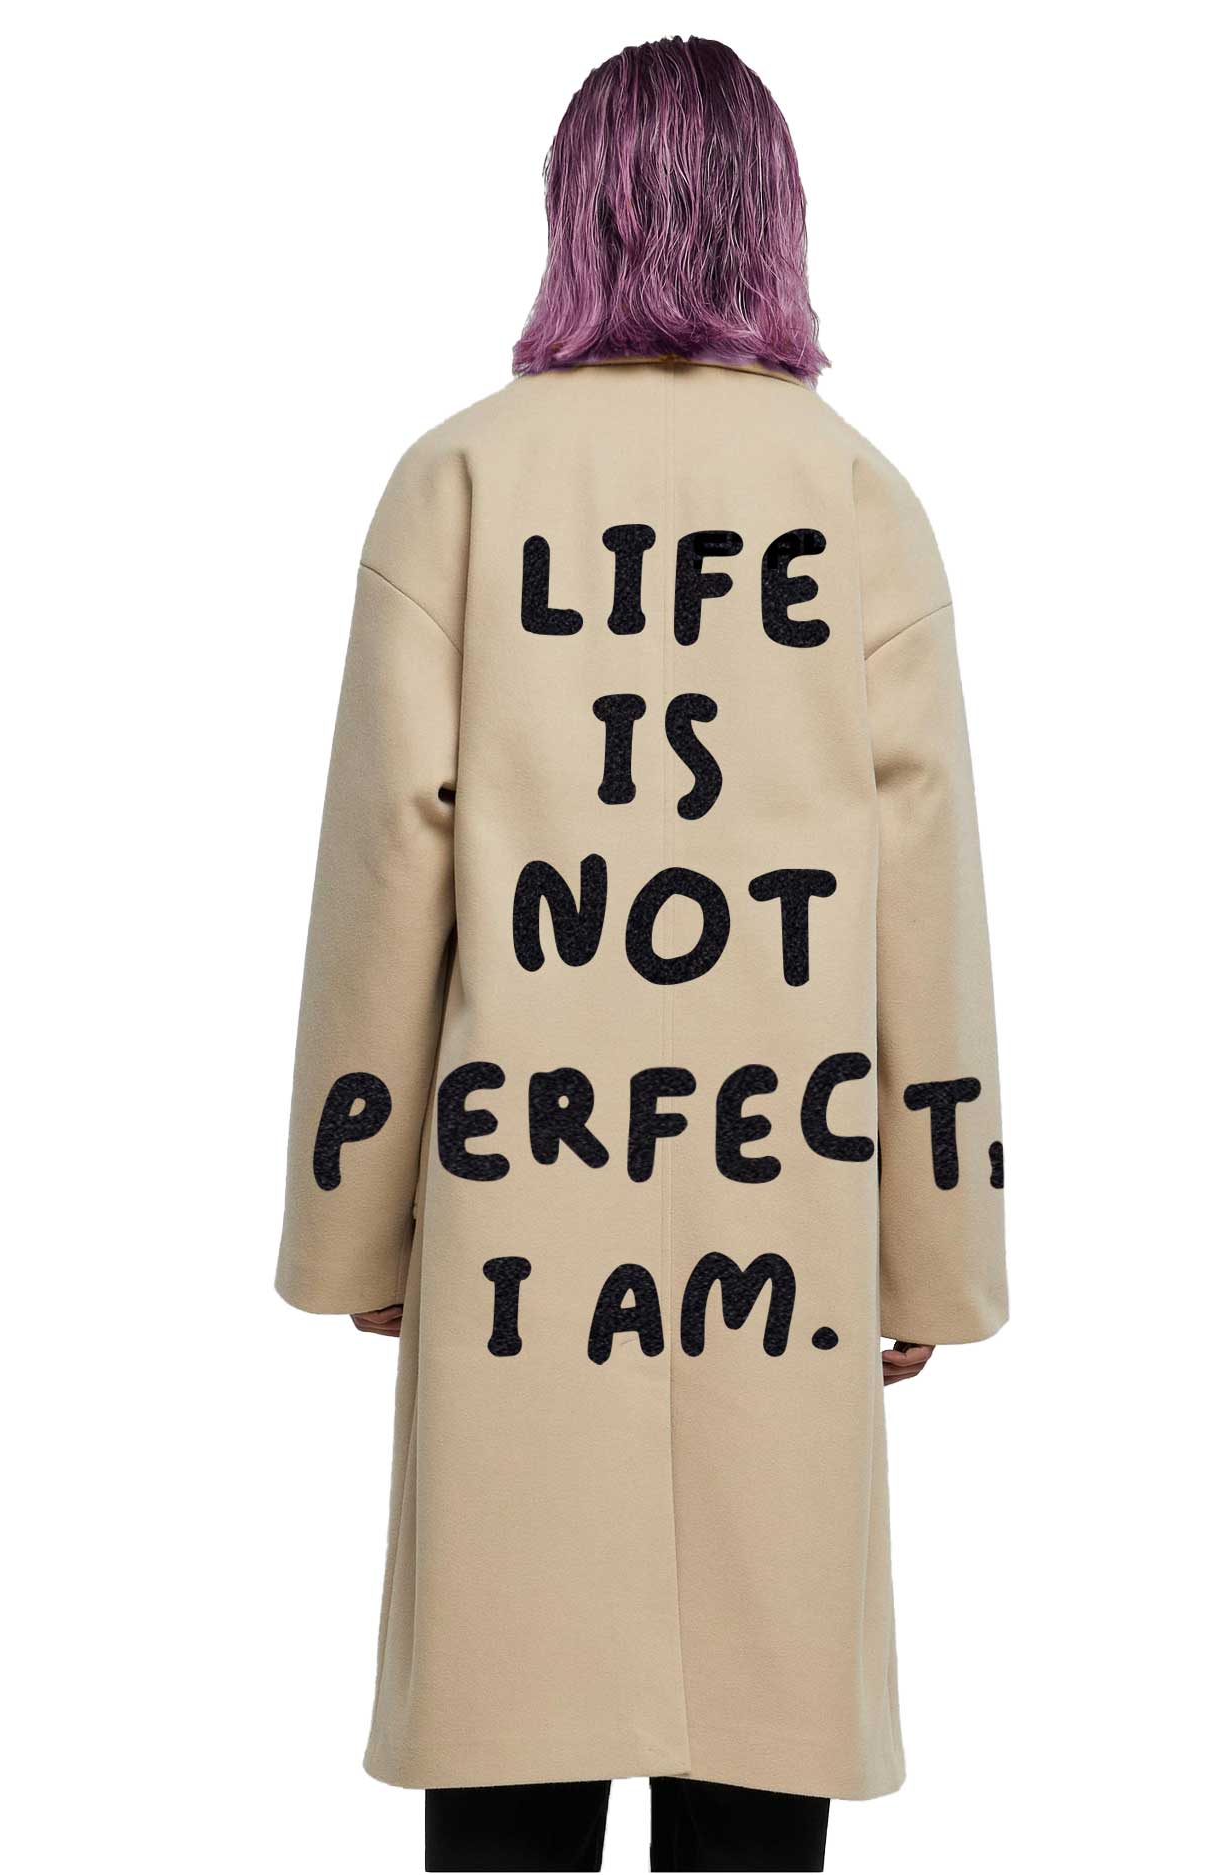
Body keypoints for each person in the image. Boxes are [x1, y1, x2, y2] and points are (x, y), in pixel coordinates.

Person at [276, 35, 1007, 1873]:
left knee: (509, 1744)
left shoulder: (459, 481)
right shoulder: (859, 500)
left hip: (525, 1222)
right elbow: (924, 897)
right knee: (757, 1745)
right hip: (784, 1224)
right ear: (778, 216)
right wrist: (936, 1253)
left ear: (572, 214)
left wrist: (356, 1223)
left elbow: (387, 870)